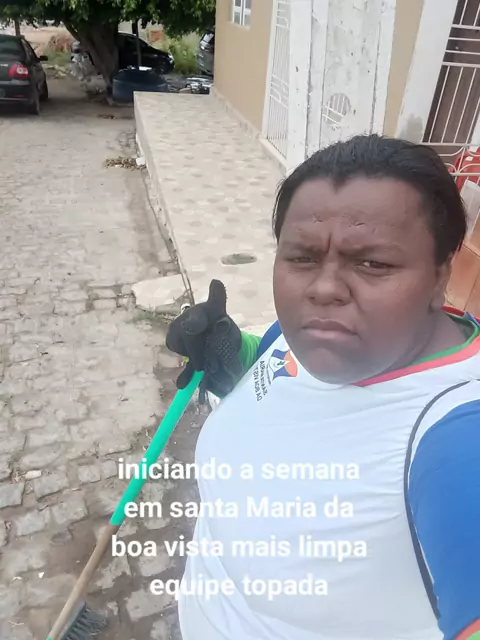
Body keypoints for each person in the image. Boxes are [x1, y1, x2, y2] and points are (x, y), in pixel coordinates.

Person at [165, 134, 480, 640]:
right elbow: (277, 373)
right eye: (302, 258)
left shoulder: (458, 437)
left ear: (441, 274)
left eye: (373, 263)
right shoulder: (324, 337)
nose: (324, 288)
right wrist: (233, 355)